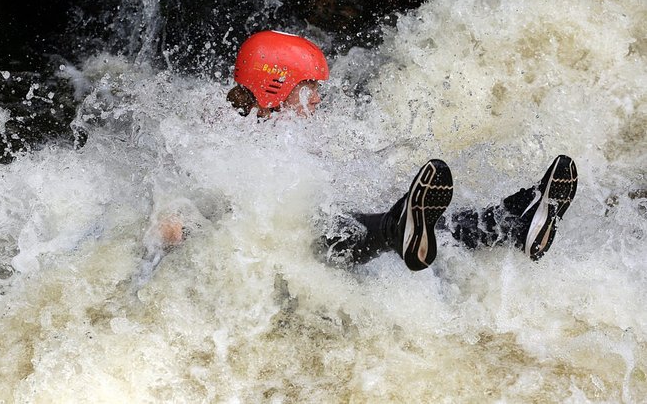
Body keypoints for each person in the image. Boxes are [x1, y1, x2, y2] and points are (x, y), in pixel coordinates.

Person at [162, 30, 578, 271]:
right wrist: (189, 228)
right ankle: (396, 228)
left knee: (419, 220)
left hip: (333, 236)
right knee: (324, 227)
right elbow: (175, 219)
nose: (319, 101)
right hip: (291, 256)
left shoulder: (293, 136)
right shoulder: (217, 138)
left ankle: (509, 223)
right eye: (310, 91)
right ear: (277, 88)